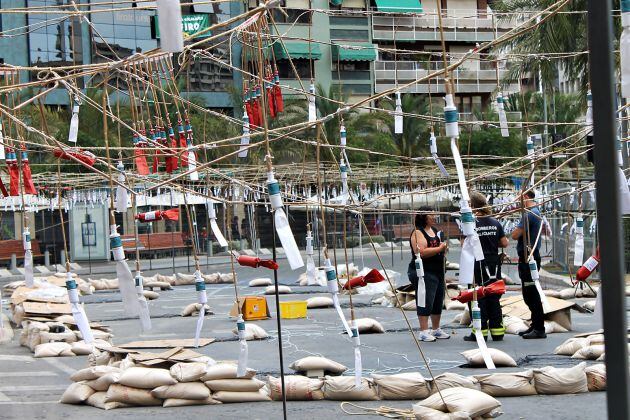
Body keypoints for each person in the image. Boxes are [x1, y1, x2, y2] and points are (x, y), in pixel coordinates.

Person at [464, 191, 509, 342]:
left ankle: (479, 331)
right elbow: (504, 243)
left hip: (477, 263)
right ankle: (497, 332)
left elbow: (466, 244)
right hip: (493, 264)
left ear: (472, 205)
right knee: (494, 295)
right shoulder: (495, 223)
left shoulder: (472, 224)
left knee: (477, 296)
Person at [408, 207, 450, 342]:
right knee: (425, 300)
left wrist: (443, 249)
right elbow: (421, 252)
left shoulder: (435, 231)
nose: (434, 217)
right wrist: (440, 248)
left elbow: (439, 248)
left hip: (438, 270)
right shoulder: (417, 233)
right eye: (431, 215)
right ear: (424, 217)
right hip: (424, 271)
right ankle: (424, 331)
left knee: (438, 300)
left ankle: (436, 329)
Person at [511, 190, 546, 339]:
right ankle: (535, 325)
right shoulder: (535, 212)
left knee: (531, 293)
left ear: (525, 197)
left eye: (519, 197)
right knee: (528, 292)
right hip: (529, 256)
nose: (516, 201)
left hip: (528, 258)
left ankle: (539, 328)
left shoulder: (529, 214)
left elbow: (515, 235)